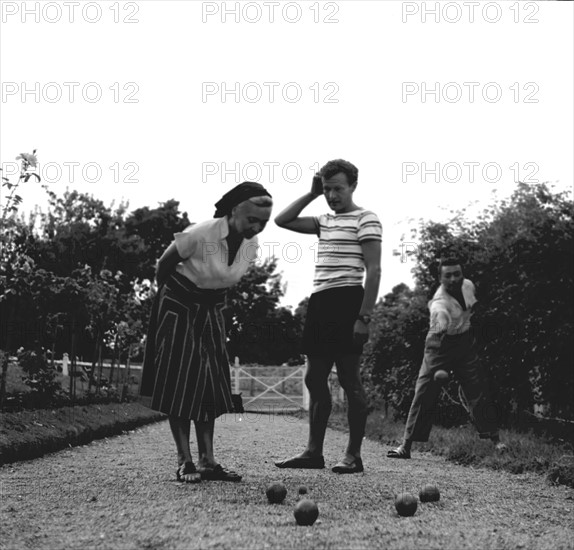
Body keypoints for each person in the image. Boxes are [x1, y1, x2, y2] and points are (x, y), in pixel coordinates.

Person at [140, 182, 273, 483]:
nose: (257, 227)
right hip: (178, 304)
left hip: (212, 309)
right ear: (234, 210)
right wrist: (166, 307)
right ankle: (184, 460)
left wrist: (213, 308)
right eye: (252, 219)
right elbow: (164, 265)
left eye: (263, 223)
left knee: (211, 382)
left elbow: (223, 282)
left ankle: (208, 461)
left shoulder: (251, 246)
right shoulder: (201, 233)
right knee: (180, 379)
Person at [273, 159, 382, 474]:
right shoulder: (323, 221)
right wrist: (310, 194)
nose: (332, 195)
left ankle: (353, 455)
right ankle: (313, 452)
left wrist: (364, 317)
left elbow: (374, 270)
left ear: (352, 186)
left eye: (338, 188)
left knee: (349, 378)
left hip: (349, 300)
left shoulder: (366, 218)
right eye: (327, 189)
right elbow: (283, 219)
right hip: (320, 301)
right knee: (313, 377)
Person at [387, 258, 507, 459]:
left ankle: (497, 441)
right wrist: (441, 324)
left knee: (477, 387)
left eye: (456, 274)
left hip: (465, 342)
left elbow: (472, 309)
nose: (453, 279)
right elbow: (440, 316)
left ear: (462, 274)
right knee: (424, 392)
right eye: (447, 275)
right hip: (439, 344)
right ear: (440, 278)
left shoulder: (468, 285)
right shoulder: (439, 302)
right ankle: (405, 446)